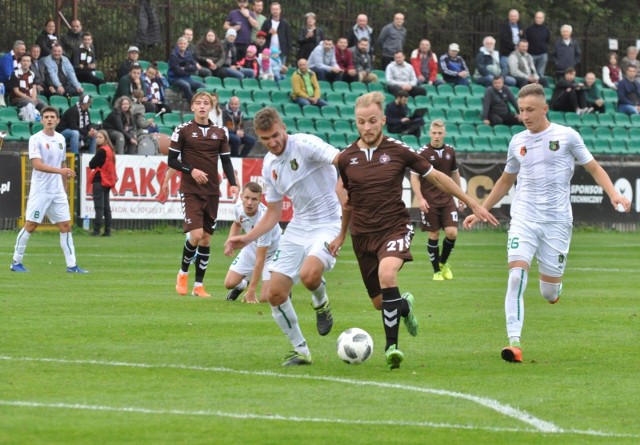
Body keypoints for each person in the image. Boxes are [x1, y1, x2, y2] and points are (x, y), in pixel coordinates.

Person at [463, 83, 631, 364]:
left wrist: (614, 194)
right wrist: (480, 208)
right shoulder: (517, 141)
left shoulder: (567, 137)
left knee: (548, 291)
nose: (525, 115)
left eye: (530, 110)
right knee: (516, 275)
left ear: (544, 109)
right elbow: (506, 181)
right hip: (524, 219)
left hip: (557, 222)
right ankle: (514, 342)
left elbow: (594, 168)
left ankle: (555, 289)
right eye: (521, 111)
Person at [329, 92, 497, 369]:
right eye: (361, 122)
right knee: (379, 302)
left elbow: (439, 177)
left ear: (383, 119)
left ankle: (391, 348)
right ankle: (403, 306)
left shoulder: (400, 150)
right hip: (362, 235)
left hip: (395, 227)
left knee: (387, 273)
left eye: (372, 121)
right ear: (356, 123)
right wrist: (341, 234)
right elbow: (348, 203)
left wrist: (472, 203)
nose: (367, 127)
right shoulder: (346, 158)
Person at [224, 106, 342, 366]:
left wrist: (345, 192)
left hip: (328, 223)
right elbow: (274, 212)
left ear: (283, 128)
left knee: (310, 275)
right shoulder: (269, 166)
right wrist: (246, 238)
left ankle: (321, 302)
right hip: (299, 226)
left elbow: (341, 161)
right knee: (274, 294)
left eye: (276, 135)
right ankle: (301, 351)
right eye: (266, 139)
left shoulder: (306, 144)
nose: (273, 142)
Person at [169, 91, 239, 298]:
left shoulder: (221, 132)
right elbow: (172, 161)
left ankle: (198, 286)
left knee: (207, 239)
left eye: (205, 103)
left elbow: (225, 160)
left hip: (211, 192)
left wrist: (233, 184)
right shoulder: (182, 130)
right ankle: (182, 274)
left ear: (211, 107)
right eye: (198, 103)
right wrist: (192, 170)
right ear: (192, 107)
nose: (201, 106)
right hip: (190, 190)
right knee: (196, 235)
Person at [10, 106, 88, 274]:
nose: (50, 119)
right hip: (41, 190)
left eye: (53, 116)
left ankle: (72, 266)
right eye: (46, 117)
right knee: (31, 225)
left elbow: (62, 164)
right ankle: (16, 262)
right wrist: (61, 172)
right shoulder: (35, 139)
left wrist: (64, 189)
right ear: (42, 120)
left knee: (66, 226)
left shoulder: (60, 139)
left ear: (58, 120)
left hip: (57, 191)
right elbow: (37, 165)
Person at [410, 119, 466, 281]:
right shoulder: (422, 153)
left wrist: (461, 196)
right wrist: (420, 198)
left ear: (444, 134)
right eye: (434, 133)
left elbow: (455, 174)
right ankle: (436, 272)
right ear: (429, 133)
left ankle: (443, 263)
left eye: (439, 133)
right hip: (430, 201)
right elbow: (414, 178)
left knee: (452, 233)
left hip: (447, 200)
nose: (436, 136)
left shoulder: (450, 151)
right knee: (433, 234)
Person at [224, 182, 281, 304]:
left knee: (266, 298)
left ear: (260, 199)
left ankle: (281, 286)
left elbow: (260, 258)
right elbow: (237, 223)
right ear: (241, 196)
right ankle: (242, 285)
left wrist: (252, 291)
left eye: (254, 199)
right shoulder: (238, 208)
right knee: (229, 283)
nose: (249, 202)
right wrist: (231, 241)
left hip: (272, 253)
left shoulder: (264, 219)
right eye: (247, 197)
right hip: (252, 246)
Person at [88, 130, 117, 237]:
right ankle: (107, 230)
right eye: (97, 137)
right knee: (106, 207)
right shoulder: (110, 150)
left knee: (99, 207)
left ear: (105, 139)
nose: (98, 139)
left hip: (99, 180)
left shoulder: (101, 151)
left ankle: (96, 230)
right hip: (107, 181)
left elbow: (91, 164)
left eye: (100, 137)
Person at [168, 37, 206, 102]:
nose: (182, 45)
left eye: (184, 44)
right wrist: (189, 71)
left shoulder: (189, 54)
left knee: (203, 86)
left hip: (187, 78)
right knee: (186, 85)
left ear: (187, 44)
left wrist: (185, 68)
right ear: (177, 44)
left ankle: (200, 102)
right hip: (175, 78)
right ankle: (192, 104)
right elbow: (177, 71)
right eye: (181, 44)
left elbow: (194, 67)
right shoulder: (173, 55)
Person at [524, 11, 551, 79]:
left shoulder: (546, 29)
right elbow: (525, 41)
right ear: (535, 18)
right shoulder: (529, 29)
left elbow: (548, 40)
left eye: (540, 17)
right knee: (530, 74)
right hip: (531, 55)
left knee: (540, 75)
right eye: (537, 17)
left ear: (543, 19)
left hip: (542, 55)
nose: (539, 19)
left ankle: (539, 89)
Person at [498, 9, 523, 76]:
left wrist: (520, 46)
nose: (513, 18)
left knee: (515, 71)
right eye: (512, 16)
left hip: (517, 53)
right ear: (509, 17)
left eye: (515, 16)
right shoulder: (504, 26)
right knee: (505, 71)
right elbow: (504, 39)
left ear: (518, 17)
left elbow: (523, 37)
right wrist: (514, 47)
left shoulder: (520, 26)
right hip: (506, 53)